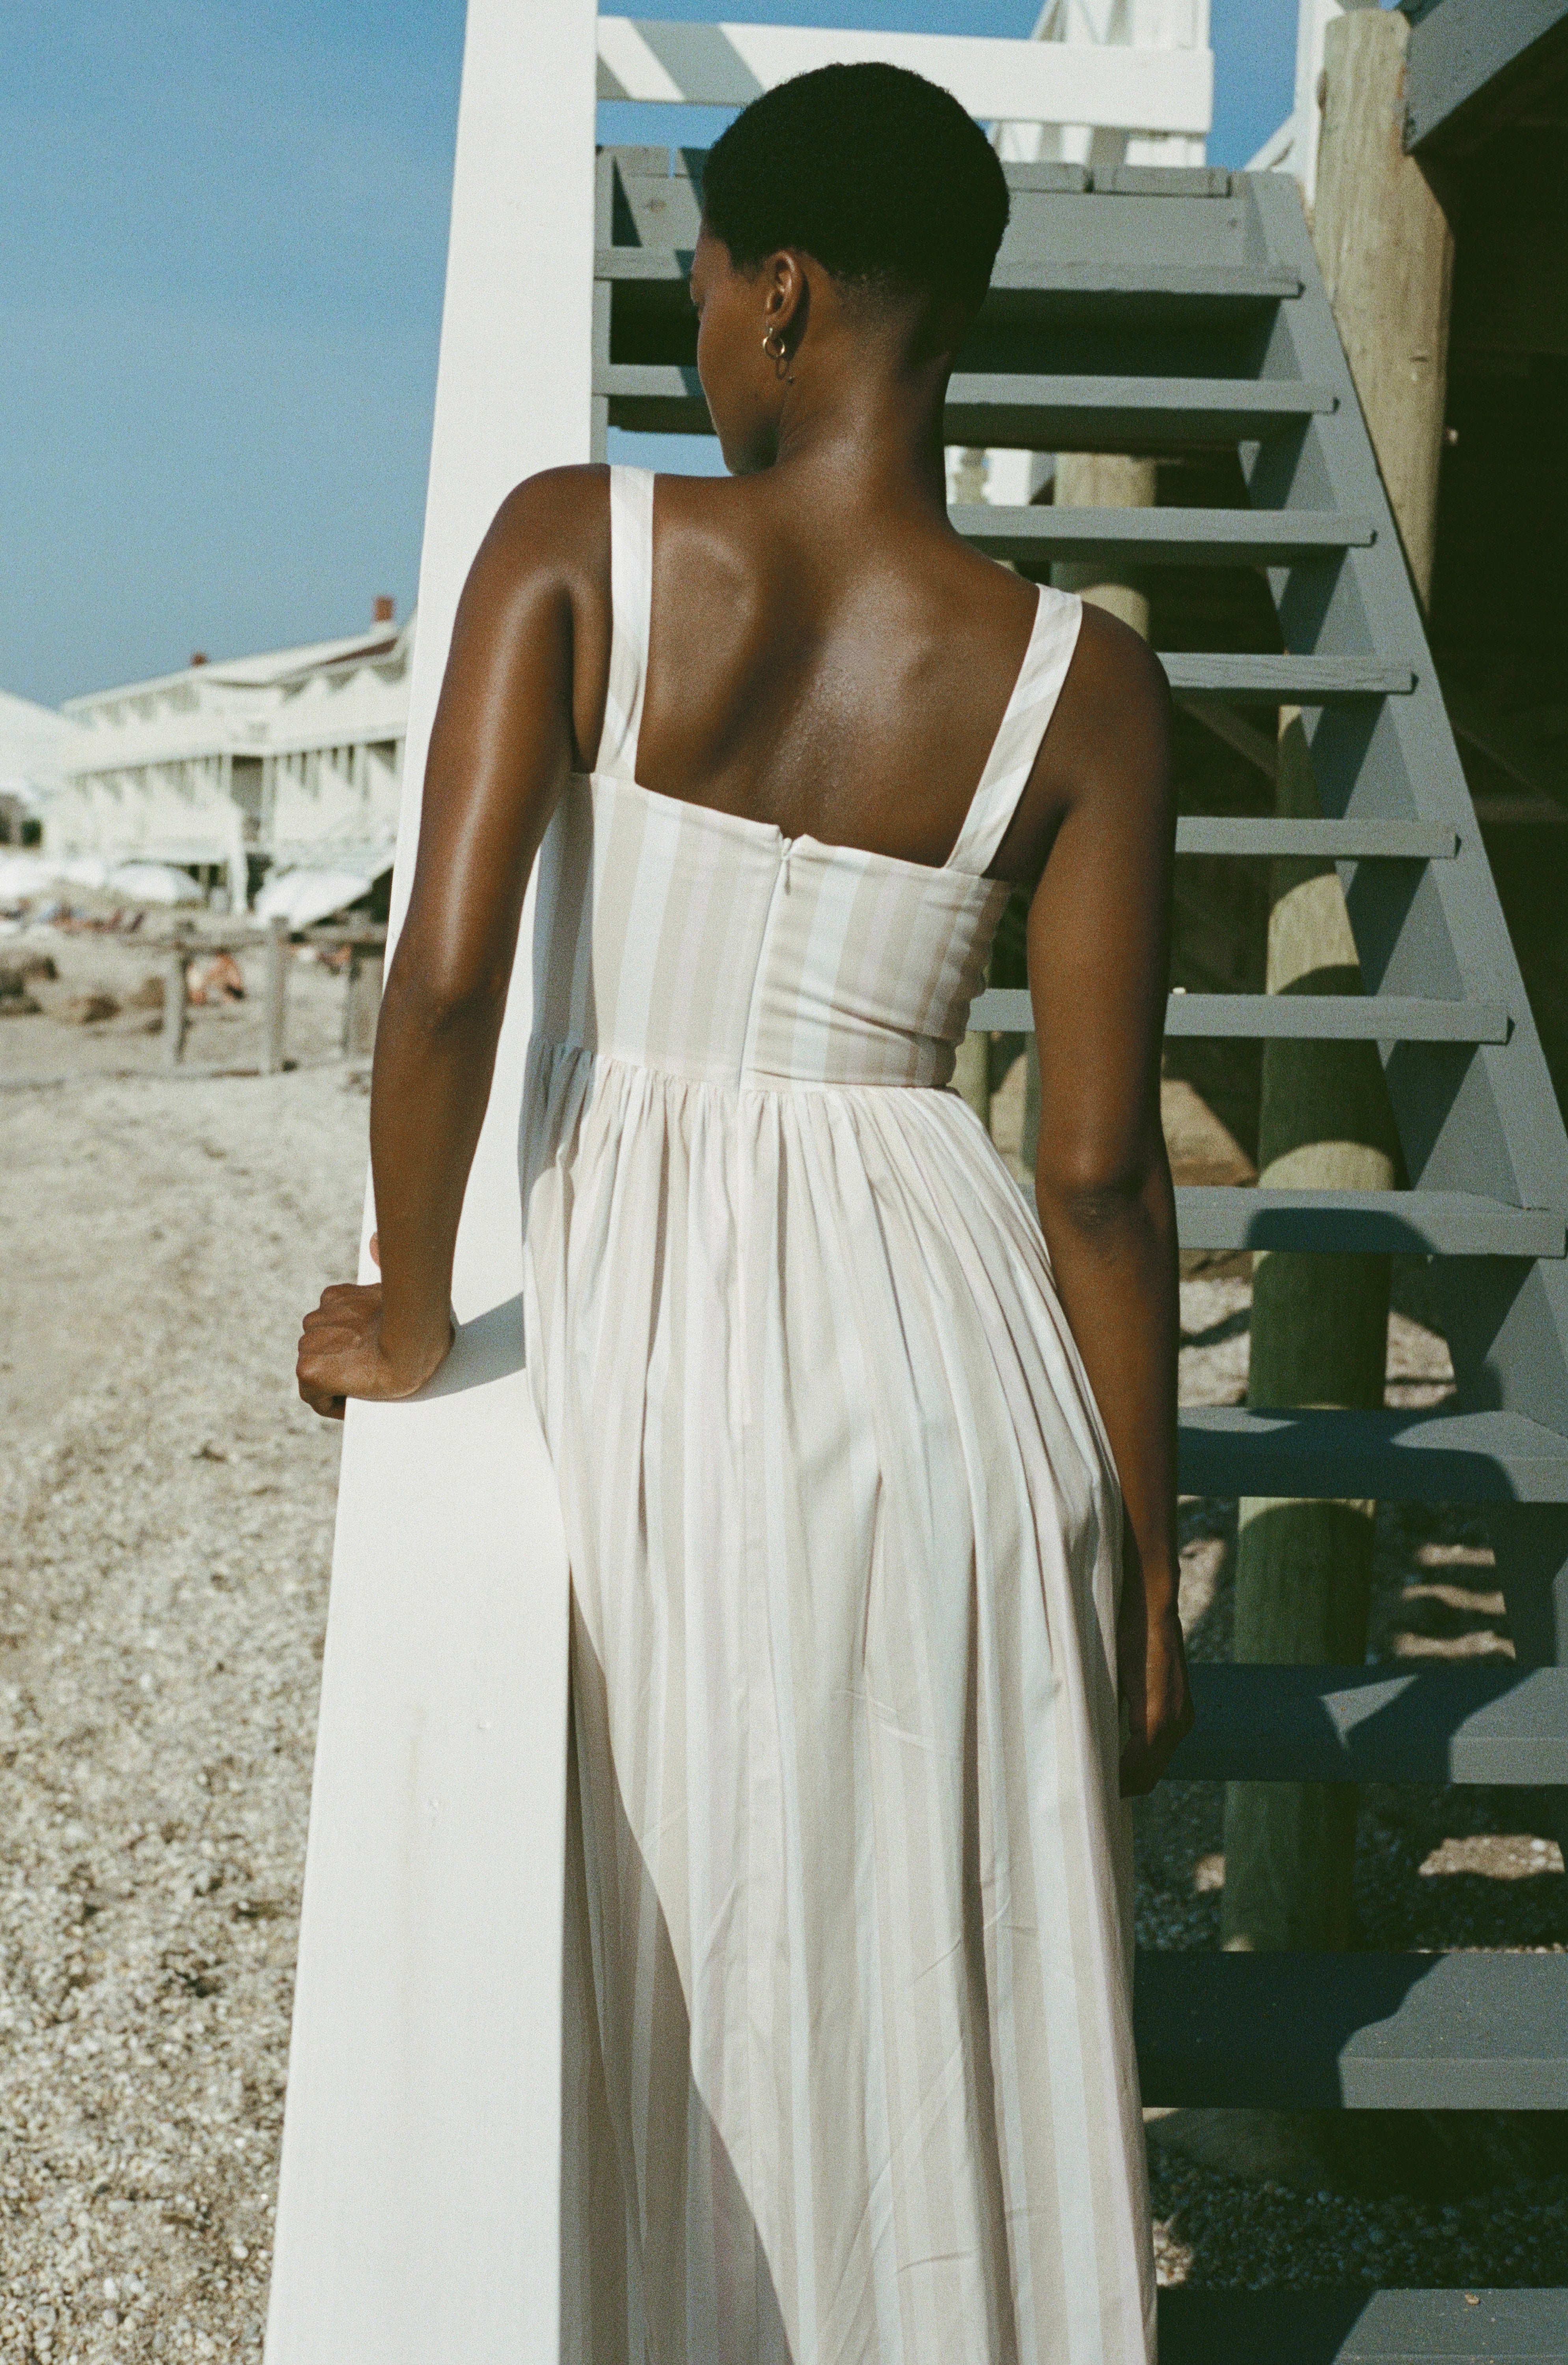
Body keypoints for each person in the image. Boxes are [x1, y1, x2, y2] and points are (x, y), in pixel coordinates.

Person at [296, 60, 1190, 2365]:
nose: (697, 338)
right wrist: (1145, 1574)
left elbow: (452, 980)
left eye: (706, 291)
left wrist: (408, 1304)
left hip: (683, 1357)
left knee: (695, 1974)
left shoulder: (580, 547)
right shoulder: (1088, 685)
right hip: (959, 1375)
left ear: (779, 294)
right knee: (921, 2005)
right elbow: (1094, 1175)